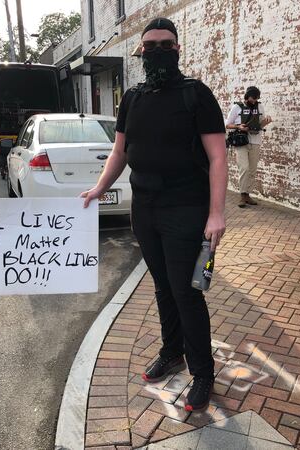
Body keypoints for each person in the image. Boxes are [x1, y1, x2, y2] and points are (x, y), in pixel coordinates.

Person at [81, 17, 227, 412]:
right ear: (141, 51)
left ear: (177, 49)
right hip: (144, 208)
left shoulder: (196, 95)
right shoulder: (132, 97)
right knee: (162, 287)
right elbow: (120, 152)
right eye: (151, 45)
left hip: (186, 207)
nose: (158, 50)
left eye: (166, 44)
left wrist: (216, 214)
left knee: (187, 292)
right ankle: (171, 352)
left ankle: (203, 373)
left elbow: (217, 157)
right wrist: (100, 187)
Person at [225, 86, 272, 207]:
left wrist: (266, 122)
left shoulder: (259, 107)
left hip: (255, 141)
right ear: (247, 96)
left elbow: (260, 124)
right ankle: (242, 195)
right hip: (241, 142)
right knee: (244, 168)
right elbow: (227, 124)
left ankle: (247, 194)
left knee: (252, 170)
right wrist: (238, 127)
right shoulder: (237, 107)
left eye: (257, 98)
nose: (255, 101)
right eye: (253, 98)